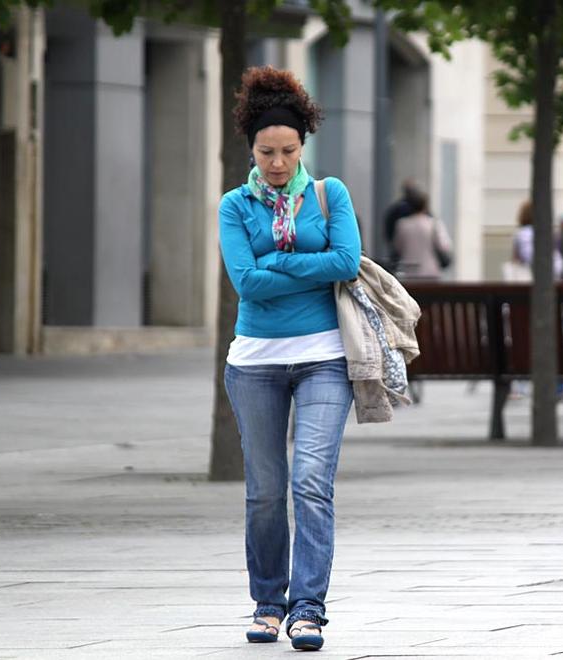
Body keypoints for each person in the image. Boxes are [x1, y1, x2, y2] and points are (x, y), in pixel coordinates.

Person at [218, 66, 361, 651]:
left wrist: (276, 264)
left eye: (288, 150)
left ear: (303, 146)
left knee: (310, 481)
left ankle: (308, 609)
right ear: (251, 149)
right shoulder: (234, 205)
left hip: (324, 356)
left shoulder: (330, 195)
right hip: (254, 361)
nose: (277, 163)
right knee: (265, 490)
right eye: (266, 151)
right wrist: (304, 264)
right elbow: (245, 285)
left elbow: (346, 262)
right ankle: (267, 603)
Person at [392, 188, 453, 279]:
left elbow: (397, 247)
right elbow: (444, 246)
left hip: (409, 271)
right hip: (430, 271)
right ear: (425, 205)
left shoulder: (402, 224)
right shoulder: (433, 224)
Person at [508, 199, 563, 280]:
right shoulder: (549, 232)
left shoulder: (520, 234)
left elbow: (515, 260)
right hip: (555, 270)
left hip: (531, 273)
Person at [383, 179, 421, 271]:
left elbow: (388, 232)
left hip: (402, 260)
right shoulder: (428, 218)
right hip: (422, 265)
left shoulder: (395, 210)